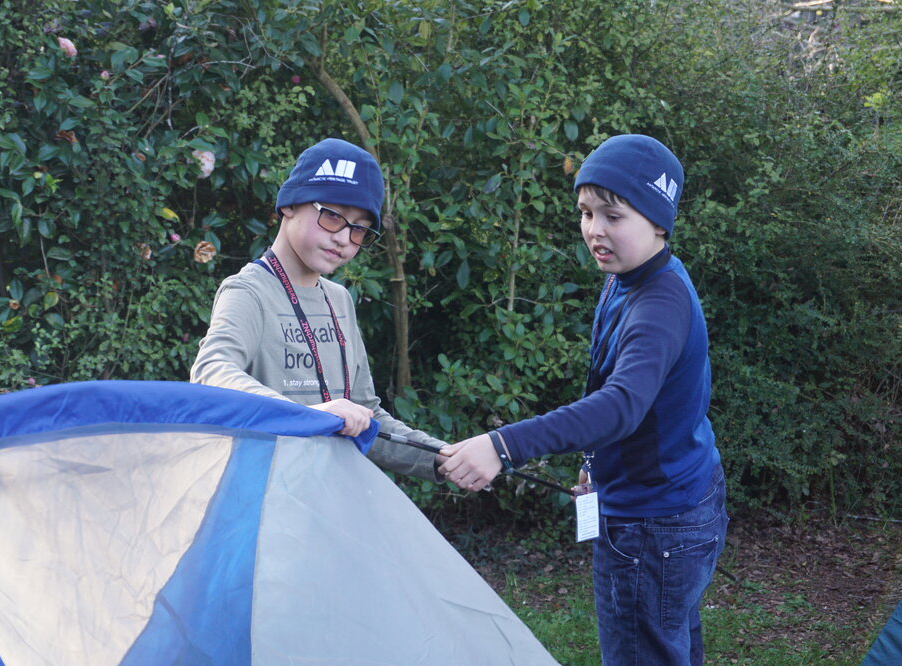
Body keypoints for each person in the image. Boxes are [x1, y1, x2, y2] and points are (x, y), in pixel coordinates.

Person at [438, 134, 727, 665]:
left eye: (612, 215)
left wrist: (501, 446)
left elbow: (620, 405)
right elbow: (617, 391)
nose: (594, 229)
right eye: (586, 212)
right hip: (676, 501)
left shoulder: (659, 303)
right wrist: (599, 465)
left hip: (652, 527)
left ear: (659, 221)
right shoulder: (629, 275)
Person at [190, 137, 444, 480]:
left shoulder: (339, 299)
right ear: (290, 204)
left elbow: (366, 415)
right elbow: (211, 372)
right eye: (333, 216)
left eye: (360, 229)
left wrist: (439, 457)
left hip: (325, 497)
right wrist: (307, 414)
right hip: (261, 497)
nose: (343, 237)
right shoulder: (248, 290)